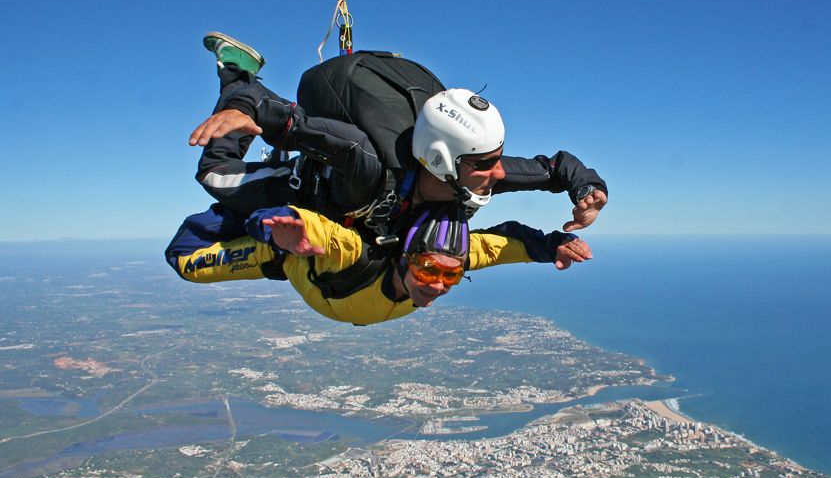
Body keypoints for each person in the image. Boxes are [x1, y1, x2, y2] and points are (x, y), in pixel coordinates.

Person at [188, 33, 608, 235]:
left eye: (496, 158)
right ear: (444, 162)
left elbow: (552, 169)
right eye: (486, 163)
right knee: (213, 175)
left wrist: (585, 187)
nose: (499, 173)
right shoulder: (370, 164)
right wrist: (248, 106)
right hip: (303, 184)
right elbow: (308, 130)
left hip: (342, 180)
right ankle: (237, 73)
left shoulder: (471, 173)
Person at [165, 202, 591, 326]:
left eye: (451, 276)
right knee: (185, 262)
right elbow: (319, 231)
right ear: (405, 257)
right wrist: (271, 226)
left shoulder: (456, 255)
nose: (438, 284)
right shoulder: (352, 252)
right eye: (428, 270)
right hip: (283, 251)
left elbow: (506, 243)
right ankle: (236, 76)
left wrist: (554, 244)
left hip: (318, 278)